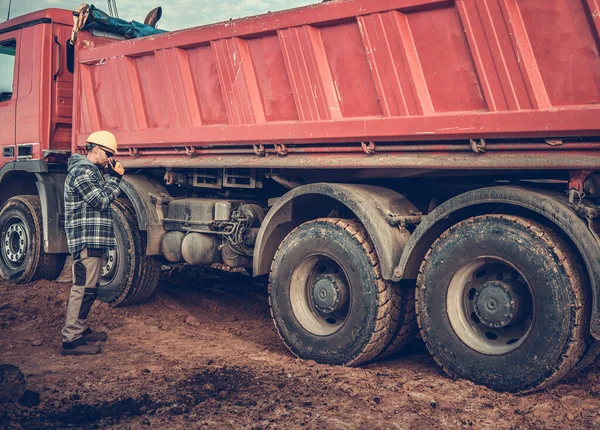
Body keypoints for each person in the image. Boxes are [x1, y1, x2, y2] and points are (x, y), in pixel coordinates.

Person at [61, 130, 125, 355]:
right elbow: (100, 200)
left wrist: (108, 176)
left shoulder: (93, 172)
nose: (110, 158)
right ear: (95, 149)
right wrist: (115, 180)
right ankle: (71, 340)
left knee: (90, 288)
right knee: (82, 288)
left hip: (94, 237)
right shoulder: (82, 172)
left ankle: (81, 328)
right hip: (85, 238)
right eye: (108, 153)